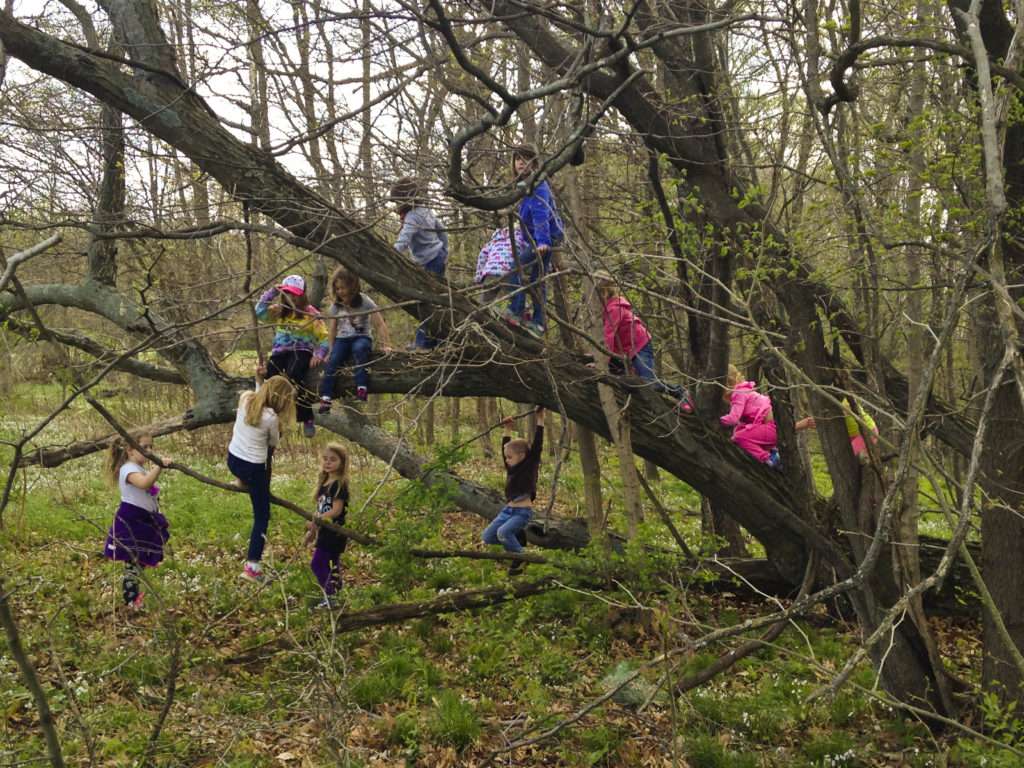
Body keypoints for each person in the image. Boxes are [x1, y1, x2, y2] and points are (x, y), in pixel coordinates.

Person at [227, 372, 295, 582]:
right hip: (254, 468)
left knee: (248, 466)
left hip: (233, 461)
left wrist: (258, 381)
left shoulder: (246, 398)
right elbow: (272, 443)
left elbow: (259, 398)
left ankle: (241, 481)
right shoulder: (272, 419)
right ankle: (252, 568)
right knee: (262, 517)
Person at [593, 270, 692, 411]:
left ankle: (680, 392)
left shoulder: (614, 309)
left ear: (604, 293)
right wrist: (596, 359)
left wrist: (600, 363)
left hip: (639, 345)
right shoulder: (605, 310)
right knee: (620, 378)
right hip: (625, 350)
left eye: (597, 295)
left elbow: (608, 338)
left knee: (648, 383)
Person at [254, 274, 329, 438]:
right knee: (271, 377)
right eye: (288, 293)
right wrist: (272, 293)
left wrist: (319, 354)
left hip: (301, 350)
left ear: (302, 294)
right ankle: (273, 419)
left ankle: (306, 417)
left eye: (295, 293)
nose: (292, 297)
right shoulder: (279, 311)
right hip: (280, 351)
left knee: (294, 376)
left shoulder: (311, 314)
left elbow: (324, 338)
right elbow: (258, 312)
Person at [103, 434, 170, 609]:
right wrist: (159, 466)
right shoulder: (128, 469)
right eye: (145, 447)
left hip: (143, 518)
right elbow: (144, 484)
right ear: (130, 450)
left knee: (138, 559)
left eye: (151, 447)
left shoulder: (138, 467)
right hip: (132, 519)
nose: (149, 451)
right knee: (132, 561)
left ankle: (134, 596)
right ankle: (131, 600)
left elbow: (149, 489)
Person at [503, 145, 564, 335]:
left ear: (534, 163)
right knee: (538, 279)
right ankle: (538, 323)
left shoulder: (538, 184)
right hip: (536, 238)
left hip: (545, 238)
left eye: (526, 158)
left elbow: (541, 214)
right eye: (517, 159)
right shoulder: (524, 185)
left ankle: (516, 311)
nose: (521, 162)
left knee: (516, 267)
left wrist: (542, 242)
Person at [482, 407, 545, 575]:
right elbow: (506, 450)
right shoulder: (511, 468)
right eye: (507, 458)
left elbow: (538, 445)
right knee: (488, 537)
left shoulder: (529, 465)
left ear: (523, 455)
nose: (507, 461)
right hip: (507, 511)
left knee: (503, 533)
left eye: (510, 457)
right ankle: (518, 539)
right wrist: (507, 428)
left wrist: (540, 419)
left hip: (521, 512)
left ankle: (523, 558)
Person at [318, 267, 391, 410]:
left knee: (360, 349)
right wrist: (330, 349)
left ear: (353, 286)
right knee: (333, 361)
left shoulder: (365, 301)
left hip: (361, 337)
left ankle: (361, 386)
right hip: (342, 339)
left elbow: (380, 324)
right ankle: (326, 397)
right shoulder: (336, 306)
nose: (340, 292)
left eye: (343, 288)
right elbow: (332, 329)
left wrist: (387, 344)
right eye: (337, 289)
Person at [390, 177, 449, 349]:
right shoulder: (426, 210)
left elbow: (404, 239)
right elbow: (442, 230)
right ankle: (435, 340)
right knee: (435, 301)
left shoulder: (412, 217)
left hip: (430, 261)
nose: (395, 206)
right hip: (436, 257)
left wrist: (391, 253)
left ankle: (423, 342)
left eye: (397, 202)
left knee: (427, 303)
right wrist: (444, 250)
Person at [721, 365, 814, 467]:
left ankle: (768, 458)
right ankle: (772, 453)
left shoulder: (738, 394)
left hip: (772, 429)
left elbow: (733, 418)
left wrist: (719, 420)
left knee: (739, 437)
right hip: (774, 429)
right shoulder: (744, 391)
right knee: (740, 434)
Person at [303, 443, 350, 609]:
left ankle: (330, 597)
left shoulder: (339, 484)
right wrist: (312, 533)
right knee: (333, 565)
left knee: (317, 564)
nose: (328, 462)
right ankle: (337, 596)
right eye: (325, 459)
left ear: (342, 463)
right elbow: (321, 510)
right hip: (325, 531)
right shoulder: (325, 483)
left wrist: (318, 520)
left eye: (333, 459)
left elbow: (336, 511)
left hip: (334, 531)